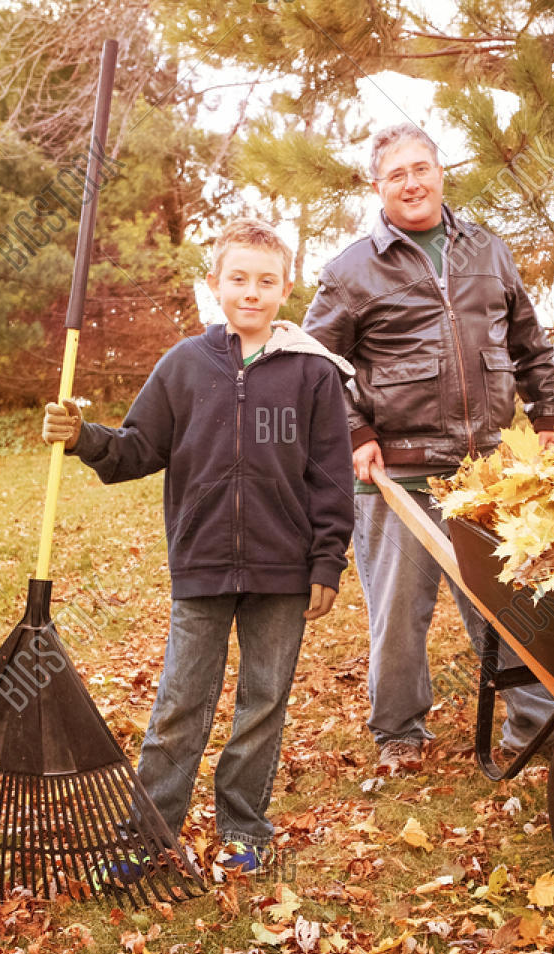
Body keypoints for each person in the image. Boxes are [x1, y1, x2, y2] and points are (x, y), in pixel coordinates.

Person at [41, 217, 354, 874]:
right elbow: (135, 448)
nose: (251, 291)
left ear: (286, 288)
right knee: (181, 702)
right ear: (214, 284)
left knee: (263, 703)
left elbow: (330, 473)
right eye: (238, 278)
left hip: (284, 570)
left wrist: (327, 559)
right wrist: (80, 437)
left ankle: (245, 829)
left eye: (266, 281)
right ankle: (146, 834)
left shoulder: (312, 375)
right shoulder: (183, 366)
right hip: (203, 564)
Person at [301, 123, 554, 774]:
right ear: (377, 187)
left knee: (510, 605)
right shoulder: (351, 269)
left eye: (421, 168)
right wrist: (357, 432)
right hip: (398, 475)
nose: (412, 183)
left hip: (485, 472)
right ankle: (399, 733)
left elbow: (530, 343)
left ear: (441, 172)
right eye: (397, 174)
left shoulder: (488, 250)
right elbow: (314, 363)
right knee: (398, 614)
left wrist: (550, 414)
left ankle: (530, 729)